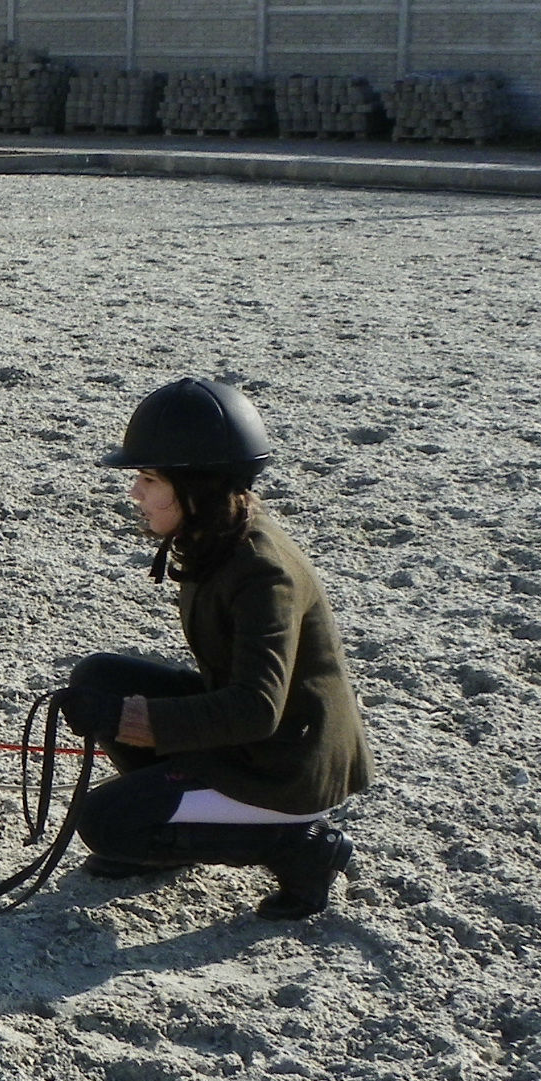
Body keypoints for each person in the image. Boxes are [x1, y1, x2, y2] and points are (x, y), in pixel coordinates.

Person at [56, 378, 371, 918]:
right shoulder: (218, 534)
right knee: (98, 676)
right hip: (255, 742)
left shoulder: (262, 571)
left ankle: (299, 847)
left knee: (105, 821)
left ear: (195, 488)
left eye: (149, 478)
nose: (136, 493)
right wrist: (119, 708)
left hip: (287, 769)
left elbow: (256, 709)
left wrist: (128, 718)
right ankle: (173, 825)